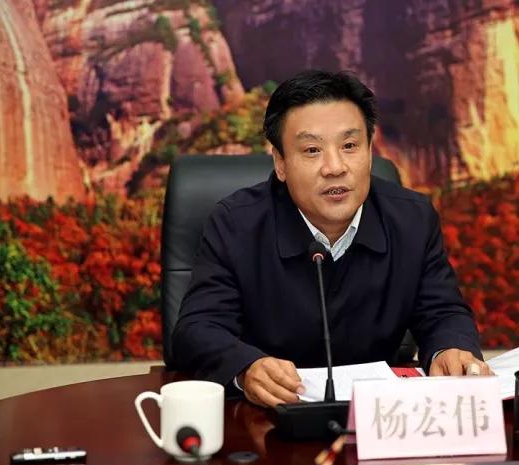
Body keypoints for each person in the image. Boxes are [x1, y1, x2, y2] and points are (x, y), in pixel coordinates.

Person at [172, 70, 489, 408]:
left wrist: (451, 349)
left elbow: (443, 312)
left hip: (379, 417)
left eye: (349, 146)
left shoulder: (412, 219)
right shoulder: (236, 224)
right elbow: (198, 329)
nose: (335, 167)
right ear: (280, 163)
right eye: (312, 150)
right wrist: (246, 367)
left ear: (370, 150)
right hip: (268, 420)